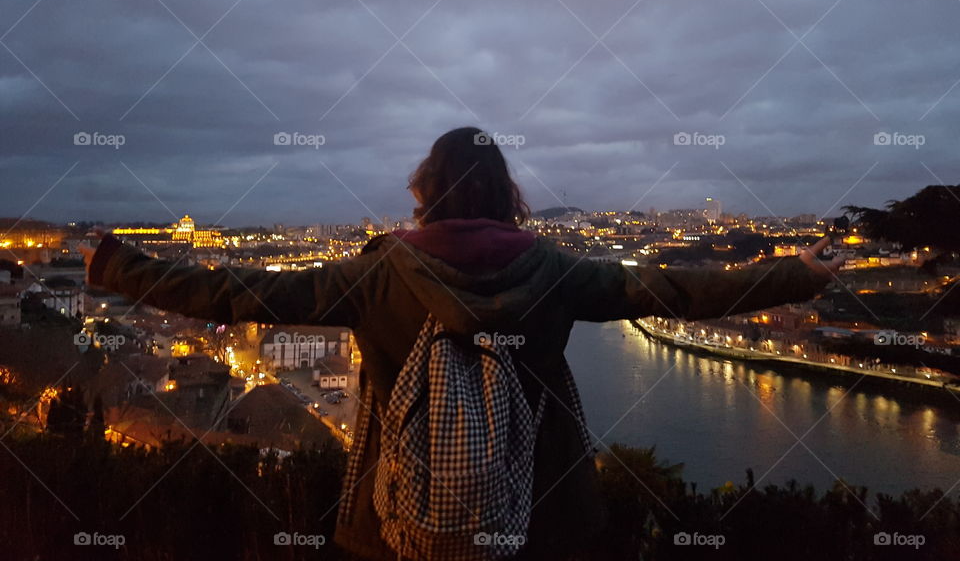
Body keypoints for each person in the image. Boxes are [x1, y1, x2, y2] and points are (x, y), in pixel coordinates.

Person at [80, 126, 842, 560]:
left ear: (424, 191)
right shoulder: (554, 271)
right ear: (505, 192)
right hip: (543, 513)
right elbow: (674, 291)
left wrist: (120, 265)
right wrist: (797, 274)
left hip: (398, 517)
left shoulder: (376, 276)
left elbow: (237, 295)